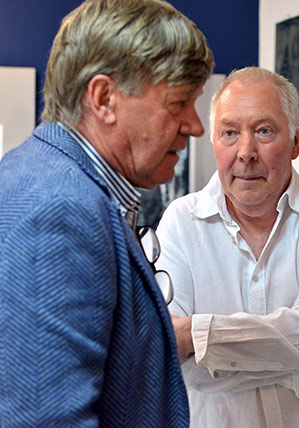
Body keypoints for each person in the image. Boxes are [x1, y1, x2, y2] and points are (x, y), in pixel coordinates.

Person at [0, 0, 214, 426]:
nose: (196, 126)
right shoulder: (60, 210)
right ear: (104, 99)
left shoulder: (42, 176)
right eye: (179, 102)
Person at [156, 67, 299, 428]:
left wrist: (194, 335)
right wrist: (296, 369)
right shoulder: (180, 221)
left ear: (296, 141)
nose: (246, 152)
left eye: (264, 131)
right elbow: (178, 368)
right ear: (214, 142)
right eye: (229, 133)